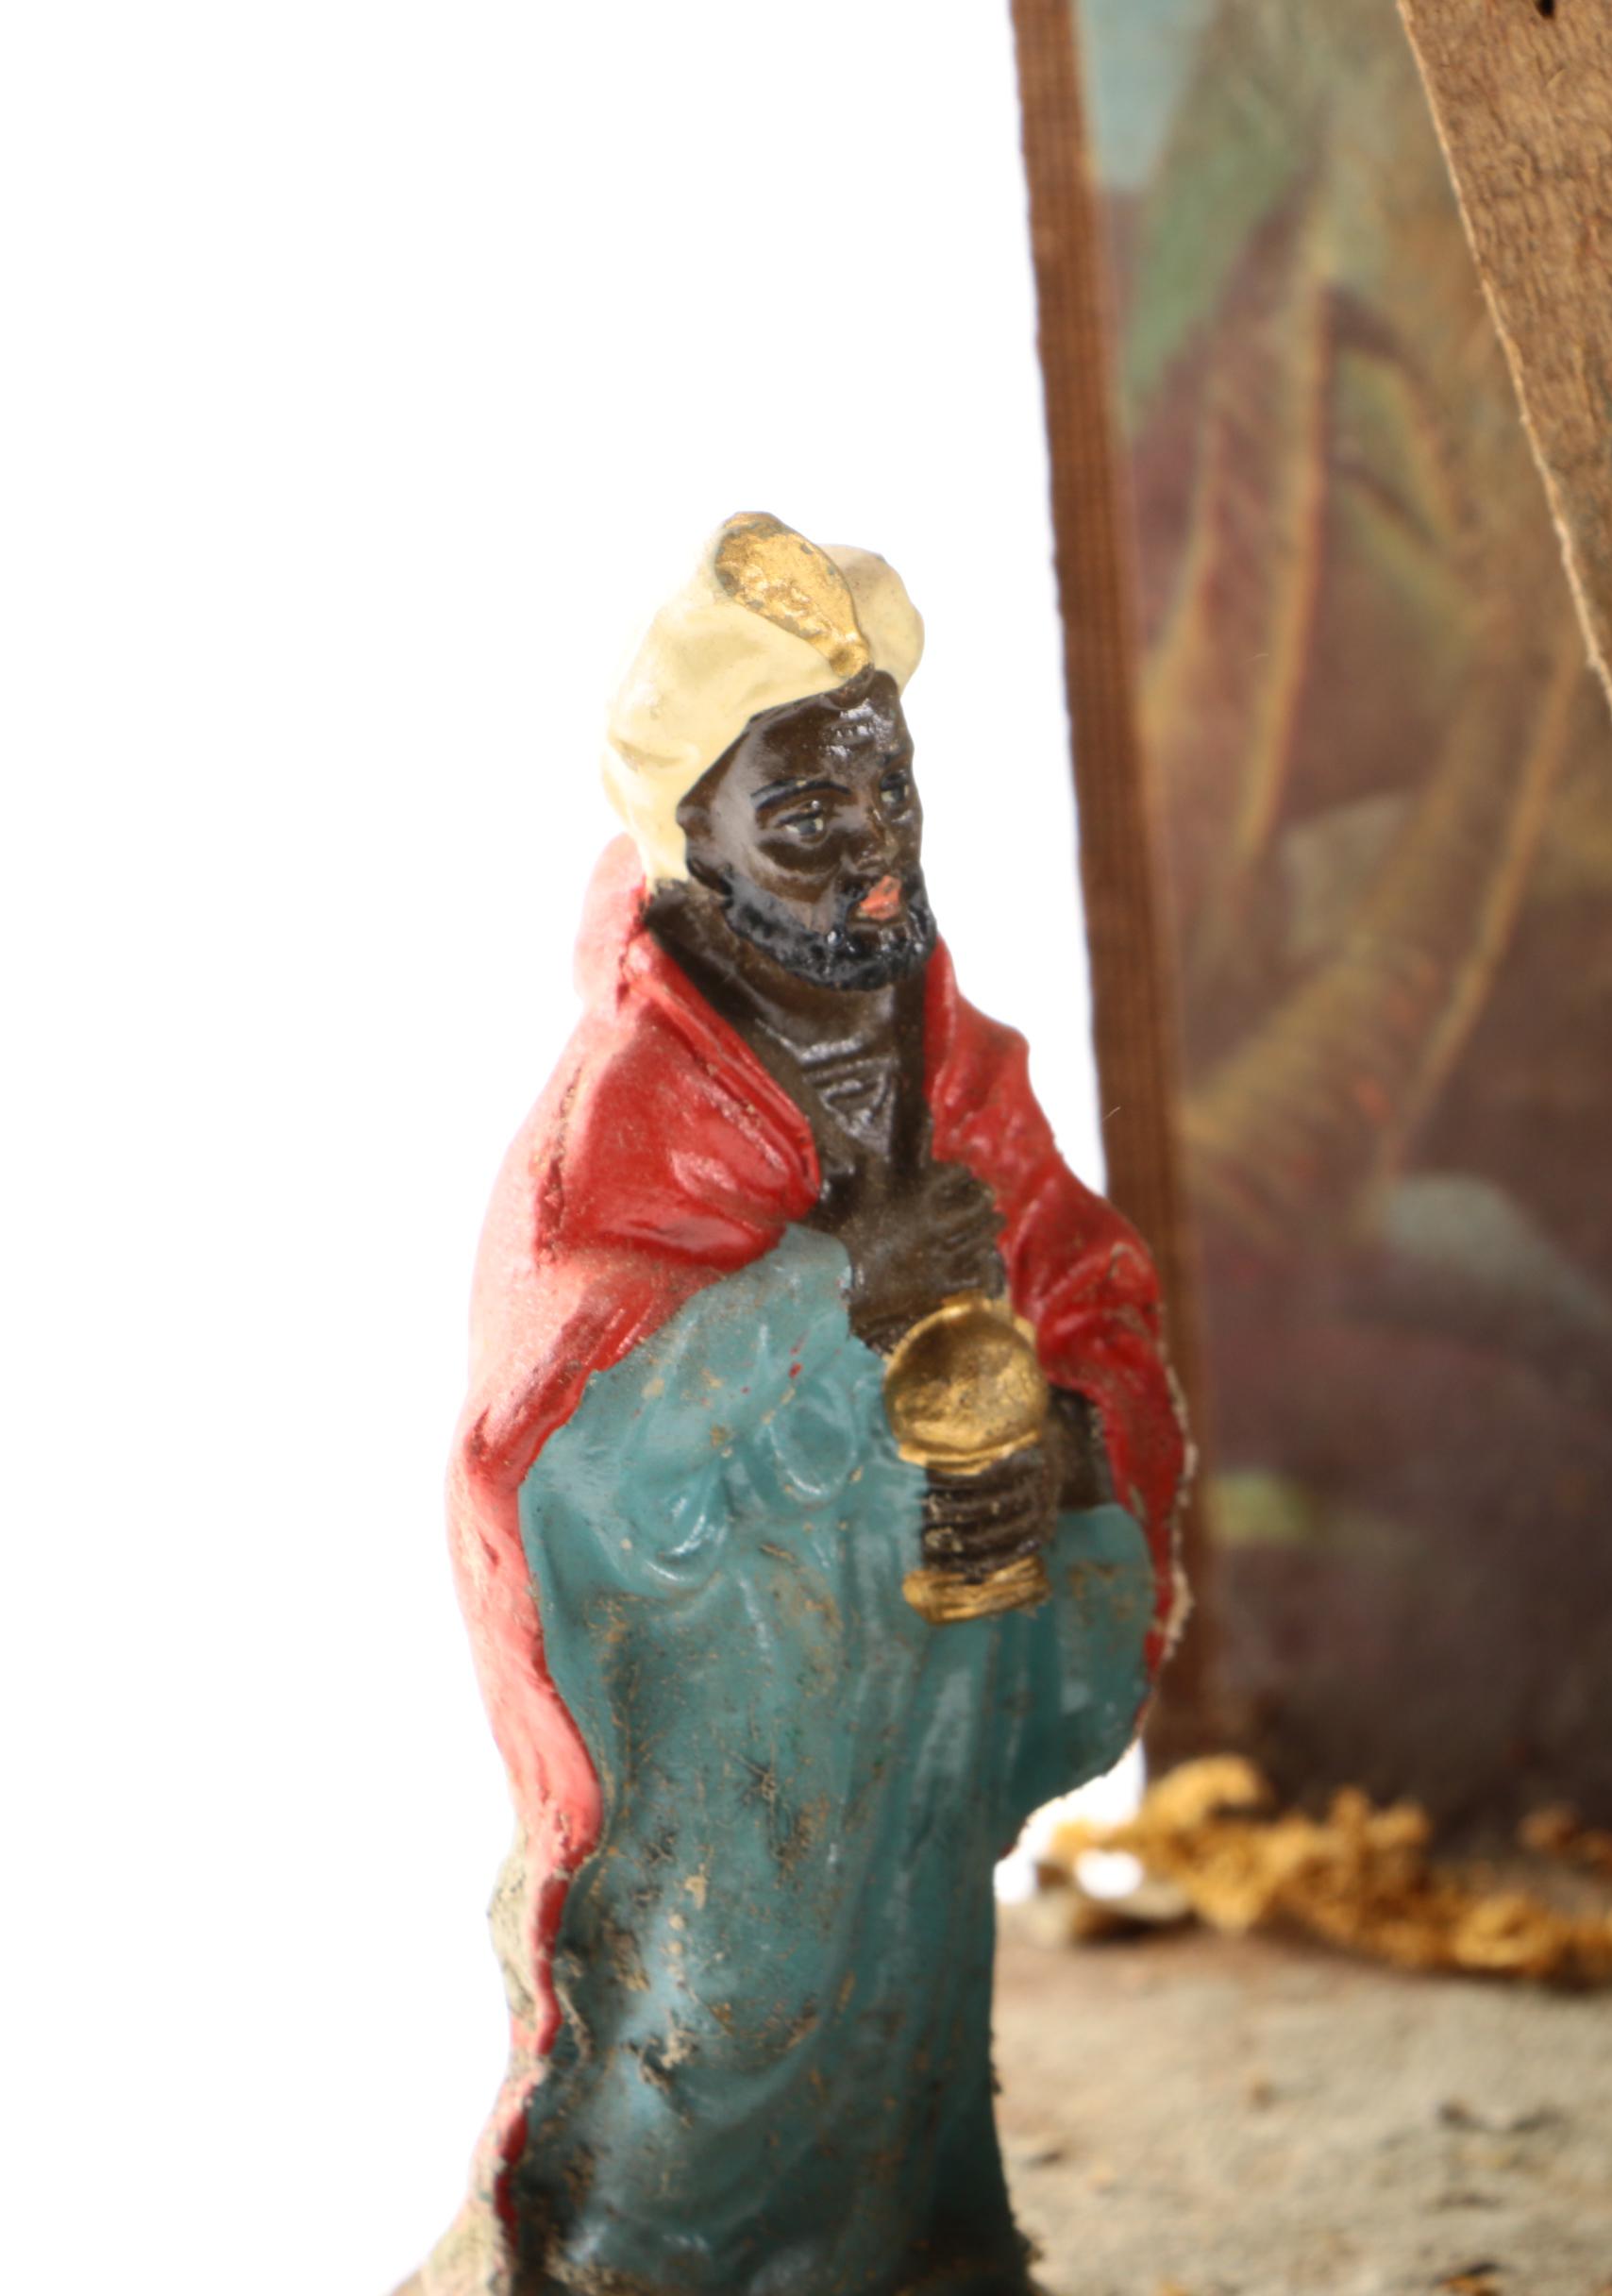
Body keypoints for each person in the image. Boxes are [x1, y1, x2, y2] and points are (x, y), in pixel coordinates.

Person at [416, 515, 1187, 2296]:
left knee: (909, 2001)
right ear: (697, 836)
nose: (865, 853)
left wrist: (1059, 1446)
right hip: (737, 1701)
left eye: (885, 793)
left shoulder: (950, 1052)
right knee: (717, 2013)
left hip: (920, 1666)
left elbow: (1085, 1288)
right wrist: (834, 1302)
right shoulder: (633, 1113)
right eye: (808, 813)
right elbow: (552, 1448)